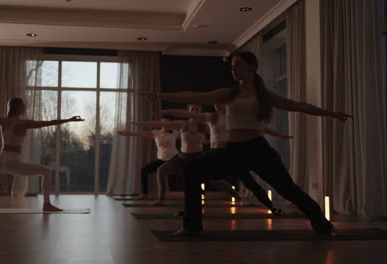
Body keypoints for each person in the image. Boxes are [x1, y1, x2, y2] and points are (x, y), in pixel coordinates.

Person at [142, 51, 352, 236]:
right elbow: (194, 95)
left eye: (238, 65)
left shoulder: (263, 95)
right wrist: (161, 95)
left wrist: (331, 114)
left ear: (252, 67)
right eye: (232, 66)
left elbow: (297, 105)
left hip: (258, 150)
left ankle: (324, 227)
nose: (233, 69)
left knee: (289, 190)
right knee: (192, 172)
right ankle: (192, 227)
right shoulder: (228, 94)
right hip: (233, 151)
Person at [160, 104, 291, 215]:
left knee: (249, 181)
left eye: (220, 102)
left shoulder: (234, 118)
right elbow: (190, 115)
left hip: (231, 153)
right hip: (214, 154)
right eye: (215, 103)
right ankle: (190, 211)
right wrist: (169, 112)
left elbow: (259, 128)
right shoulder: (212, 117)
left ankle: (272, 207)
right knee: (192, 178)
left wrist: (279, 135)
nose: (216, 105)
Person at [130, 104, 208, 206]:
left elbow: (213, 135)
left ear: (200, 111)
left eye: (197, 109)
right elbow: (152, 126)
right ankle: (158, 198)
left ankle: (235, 196)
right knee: (159, 171)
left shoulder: (202, 126)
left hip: (190, 157)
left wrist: (207, 141)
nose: (194, 111)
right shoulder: (178, 125)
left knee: (213, 179)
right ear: (187, 111)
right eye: (192, 109)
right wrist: (137, 125)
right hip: (178, 157)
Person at [117, 116, 179, 199]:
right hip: (161, 159)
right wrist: (128, 133)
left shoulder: (175, 133)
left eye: (167, 122)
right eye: (163, 122)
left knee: (178, 173)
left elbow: (186, 139)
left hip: (174, 159)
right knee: (144, 170)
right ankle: (145, 194)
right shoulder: (156, 133)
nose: (165, 124)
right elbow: (140, 133)